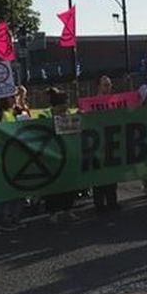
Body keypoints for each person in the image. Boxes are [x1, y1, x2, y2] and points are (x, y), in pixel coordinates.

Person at [45, 87, 83, 219]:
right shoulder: (46, 115)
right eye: (64, 105)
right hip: (52, 155)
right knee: (54, 185)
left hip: (68, 154)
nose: (66, 107)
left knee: (69, 183)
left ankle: (68, 208)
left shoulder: (69, 115)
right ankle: (53, 212)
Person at [92, 76, 120, 213]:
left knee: (112, 173)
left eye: (109, 85)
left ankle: (112, 201)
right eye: (105, 85)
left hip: (111, 142)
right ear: (99, 87)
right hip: (97, 143)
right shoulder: (91, 103)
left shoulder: (115, 102)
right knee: (98, 175)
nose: (108, 87)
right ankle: (99, 204)